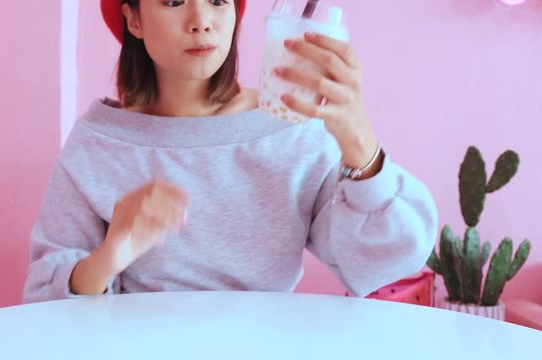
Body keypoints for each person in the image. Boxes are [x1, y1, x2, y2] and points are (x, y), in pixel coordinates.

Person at [23, 0, 437, 303]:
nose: (201, 21)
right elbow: (42, 300)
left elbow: (387, 261)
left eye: (219, 1)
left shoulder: (291, 128)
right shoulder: (98, 144)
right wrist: (111, 254)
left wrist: (359, 142)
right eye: (173, 2)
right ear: (133, 17)